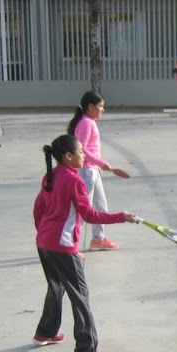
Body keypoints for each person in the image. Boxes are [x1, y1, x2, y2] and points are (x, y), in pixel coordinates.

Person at [32, 134, 139, 352]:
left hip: (44, 243)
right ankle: (85, 350)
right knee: (80, 295)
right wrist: (122, 217)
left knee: (56, 286)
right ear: (68, 156)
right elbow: (89, 215)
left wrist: (44, 235)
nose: (84, 155)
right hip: (60, 245)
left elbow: (38, 208)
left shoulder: (51, 176)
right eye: (81, 152)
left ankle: (46, 332)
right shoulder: (74, 181)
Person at [68, 91, 119, 252]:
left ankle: (98, 239)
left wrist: (97, 166)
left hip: (91, 170)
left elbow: (89, 149)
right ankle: (69, 245)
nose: (103, 110)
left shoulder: (89, 121)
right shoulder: (86, 123)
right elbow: (81, 150)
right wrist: (101, 163)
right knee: (84, 211)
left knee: (101, 207)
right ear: (91, 107)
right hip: (85, 172)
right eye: (101, 106)